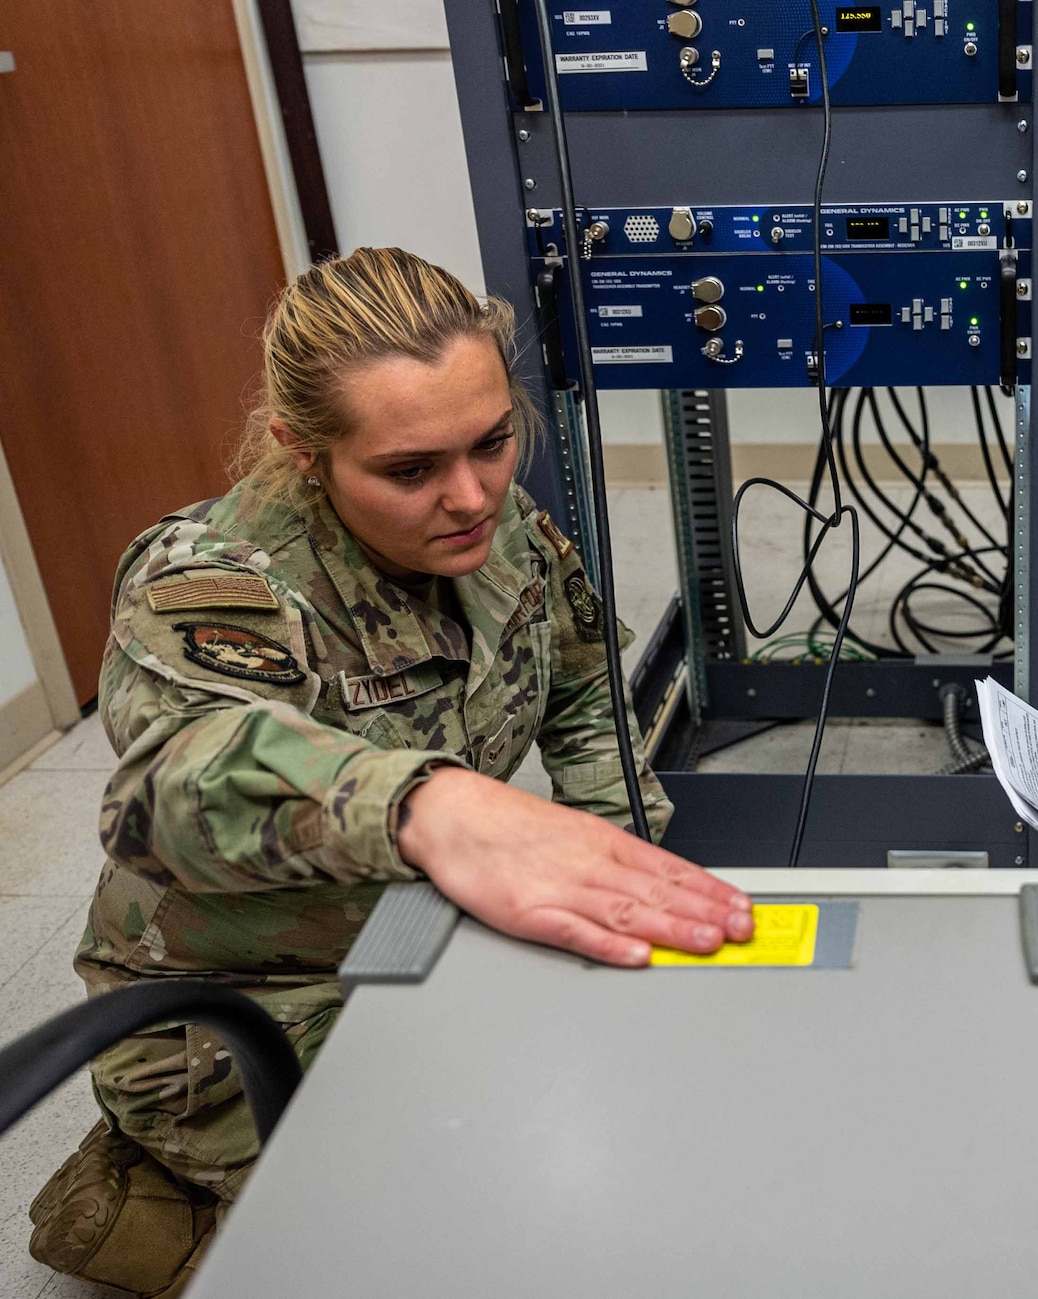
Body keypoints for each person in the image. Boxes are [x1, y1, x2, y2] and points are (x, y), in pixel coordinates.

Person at [28, 248, 755, 1297]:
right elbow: (168, 787)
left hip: (431, 936)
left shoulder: (501, 531)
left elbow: (585, 693)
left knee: (656, 1128)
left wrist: (622, 885)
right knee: (489, 1229)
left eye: (493, 443)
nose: (469, 497)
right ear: (303, 450)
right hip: (246, 1011)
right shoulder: (215, 585)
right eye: (409, 470)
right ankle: (153, 1202)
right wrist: (421, 800)